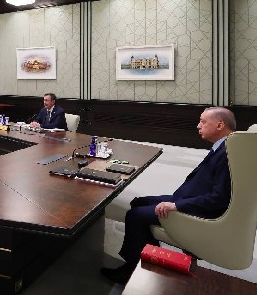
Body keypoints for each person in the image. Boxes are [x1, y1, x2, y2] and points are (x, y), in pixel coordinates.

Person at [101, 107, 236, 284]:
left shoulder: (227, 153)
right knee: (138, 202)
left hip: (194, 208)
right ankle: (151, 259)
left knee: (135, 215)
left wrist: (176, 206)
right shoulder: (225, 146)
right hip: (186, 199)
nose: (198, 126)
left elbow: (218, 199)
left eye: (203, 122)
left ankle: (131, 269)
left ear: (220, 125)